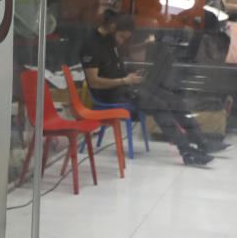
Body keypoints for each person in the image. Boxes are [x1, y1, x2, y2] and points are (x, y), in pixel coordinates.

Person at [81, 10, 226, 166]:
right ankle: (186, 151)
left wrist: (131, 77)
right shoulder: (92, 46)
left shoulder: (109, 40)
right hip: (110, 94)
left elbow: (112, 70)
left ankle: (201, 141)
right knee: (157, 104)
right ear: (112, 27)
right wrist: (125, 80)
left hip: (125, 85)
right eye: (121, 37)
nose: (122, 42)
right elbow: (94, 82)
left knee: (174, 100)